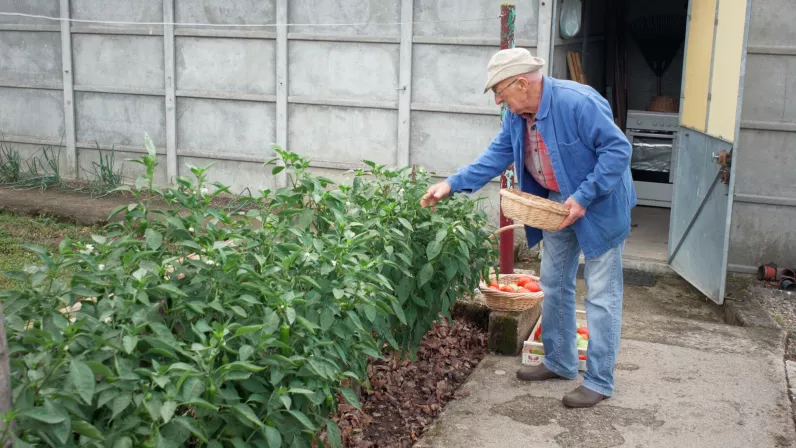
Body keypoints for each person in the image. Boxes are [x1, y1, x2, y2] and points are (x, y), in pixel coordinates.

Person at [420, 48, 636, 408]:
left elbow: (617, 151)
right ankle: (560, 361)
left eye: (501, 91)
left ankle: (599, 379)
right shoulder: (516, 116)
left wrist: (583, 196)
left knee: (601, 293)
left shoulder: (577, 103)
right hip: (555, 203)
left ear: (522, 83)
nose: (497, 99)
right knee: (552, 282)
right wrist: (451, 184)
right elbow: (496, 154)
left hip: (599, 202)